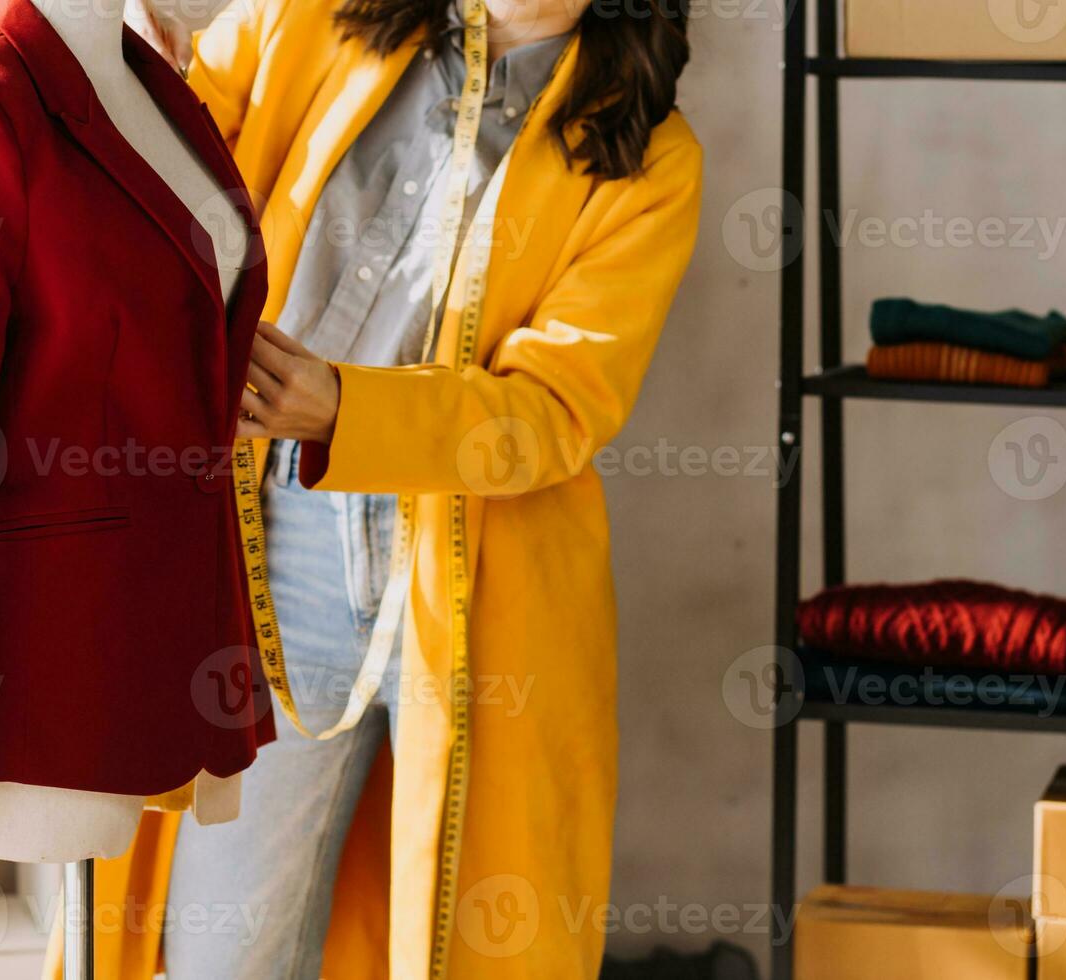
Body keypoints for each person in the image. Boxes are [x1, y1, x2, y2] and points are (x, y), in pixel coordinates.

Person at [50, 0, 702, 974]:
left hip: (489, 590)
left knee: (466, 942)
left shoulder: (647, 152)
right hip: (277, 541)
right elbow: (153, 139)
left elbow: (556, 408)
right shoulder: (312, 19)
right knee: (227, 948)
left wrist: (345, 408)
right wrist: (122, 58)